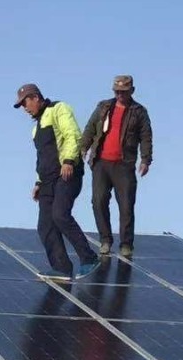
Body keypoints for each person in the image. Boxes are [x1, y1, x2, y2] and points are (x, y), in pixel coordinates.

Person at [13, 83, 100, 282]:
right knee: (45, 226)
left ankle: (89, 258)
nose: (24, 108)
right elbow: (42, 158)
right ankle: (61, 268)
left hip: (66, 173)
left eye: (25, 103)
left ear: (36, 97)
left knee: (60, 215)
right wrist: (38, 182)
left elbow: (72, 135)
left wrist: (69, 161)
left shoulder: (58, 109)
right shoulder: (35, 129)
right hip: (47, 181)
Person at [79, 74, 153, 259]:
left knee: (126, 205)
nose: (120, 95)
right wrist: (83, 148)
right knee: (98, 201)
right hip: (101, 163)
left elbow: (146, 137)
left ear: (132, 91)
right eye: (117, 91)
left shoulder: (139, 112)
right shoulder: (103, 107)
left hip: (124, 165)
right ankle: (105, 240)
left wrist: (145, 160)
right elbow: (90, 128)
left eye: (123, 92)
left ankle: (126, 244)